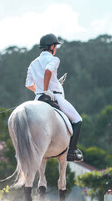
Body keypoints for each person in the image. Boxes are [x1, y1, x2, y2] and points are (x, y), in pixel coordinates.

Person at [25, 33, 83, 162]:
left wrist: (40, 91)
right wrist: (46, 90)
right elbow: (47, 71)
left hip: (38, 99)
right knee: (78, 120)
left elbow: (28, 84)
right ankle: (72, 152)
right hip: (55, 96)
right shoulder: (54, 59)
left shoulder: (33, 63)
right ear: (51, 46)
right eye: (55, 46)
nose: (56, 48)